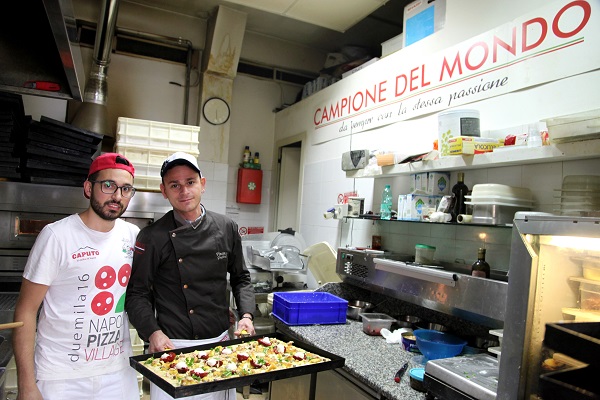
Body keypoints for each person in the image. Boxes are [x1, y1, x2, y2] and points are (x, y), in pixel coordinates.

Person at [125, 151, 256, 400]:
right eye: (175, 185)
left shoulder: (226, 227)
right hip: (174, 347)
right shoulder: (153, 237)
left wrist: (247, 316)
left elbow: (241, 278)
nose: (184, 191)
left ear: (202, 184)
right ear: (164, 191)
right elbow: (137, 294)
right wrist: (153, 333)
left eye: (190, 182)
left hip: (220, 344)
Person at [12, 153, 141, 400]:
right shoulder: (57, 236)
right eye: (108, 185)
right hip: (60, 376)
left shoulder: (132, 236)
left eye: (126, 189)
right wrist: (26, 385)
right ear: (88, 188)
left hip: (118, 373)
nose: (117, 196)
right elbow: (26, 311)